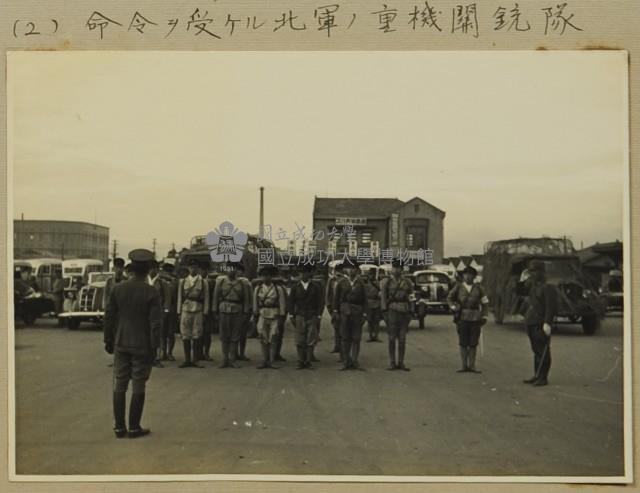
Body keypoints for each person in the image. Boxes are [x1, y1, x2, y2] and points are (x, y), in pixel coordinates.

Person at [103, 248, 162, 439]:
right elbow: (155, 324)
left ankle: (119, 428)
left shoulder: (117, 289)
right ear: (147, 271)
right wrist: (155, 347)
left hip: (121, 342)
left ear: (131, 269)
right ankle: (134, 427)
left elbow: (109, 317)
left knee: (119, 384)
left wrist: (108, 340)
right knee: (138, 384)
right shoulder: (151, 292)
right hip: (142, 345)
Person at [520, 260, 557, 387]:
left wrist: (547, 323)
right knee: (536, 350)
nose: (533, 274)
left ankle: (543, 377)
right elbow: (519, 291)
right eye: (531, 271)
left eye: (535, 271)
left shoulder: (548, 287)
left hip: (540, 322)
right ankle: (537, 375)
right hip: (531, 321)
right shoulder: (532, 286)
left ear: (542, 272)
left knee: (543, 351)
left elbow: (550, 307)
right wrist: (522, 279)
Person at [447, 266, 489, 374]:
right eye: (466, 274)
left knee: (473, 342)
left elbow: (485, 303)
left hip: (475, 318)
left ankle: (472, 365)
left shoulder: (479, 288)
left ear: (474, 277)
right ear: (463, 276)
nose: (468, 277)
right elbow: (449, 298)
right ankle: (463, 365)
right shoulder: (458, 287)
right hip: (462, 317)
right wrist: (453, 307)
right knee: (463, 342)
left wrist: (484, 316)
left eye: (470, 275)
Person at [212, 262, 250, 368]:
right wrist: (214, 310)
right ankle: (225, 359)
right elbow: (215, 297)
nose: (232, 271)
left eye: (234, 269)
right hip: (224, 309)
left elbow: (246, 299)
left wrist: (246, 312)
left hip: (237, 310)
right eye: (230, 268)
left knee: (235, 336)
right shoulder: (221, 282)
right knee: (224, 336)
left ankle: (232, 359)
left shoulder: (242, 283)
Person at [332, 258, 368, 371]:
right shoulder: (341, 282)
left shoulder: (361, 282)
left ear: (356, 270)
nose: (350, 270)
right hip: (344, 311)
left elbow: (365, 299)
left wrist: (365, 314)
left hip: (357, 311)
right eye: (348, 268)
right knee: (345, 337)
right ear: (344, 270)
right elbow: (336, 299)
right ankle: (346, 361)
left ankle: (355, 360)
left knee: (356, 337)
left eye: (352, 268)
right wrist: (335, 312)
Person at [381, 259, 415, 371]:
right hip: (392, 310)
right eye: (394, 268)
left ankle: (401, 362)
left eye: (399, 268)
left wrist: (411, 310)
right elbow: (384, 298)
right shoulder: (387, 282)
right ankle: (392, 362)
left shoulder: (407, 282)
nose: (396, 270)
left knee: (402, 339)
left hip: (404, 311)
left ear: (402, 269)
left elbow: (411, 297)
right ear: (391, 269)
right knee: (391, 338)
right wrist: (384, 311)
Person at [289, 264, 324, 369]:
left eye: (305, 272)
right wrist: (291, 314)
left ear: (309, 274)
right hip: (299, 314)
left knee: (311, 339)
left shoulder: (316, 287)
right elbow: (291, 301)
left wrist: (319, 315)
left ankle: (308, 361)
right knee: (299, 339)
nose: (303, 275)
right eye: (301, 273)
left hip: (312, 315)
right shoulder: (295, 287)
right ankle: (300, 361)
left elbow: (320, 302)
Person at [176, 260, 209, 368]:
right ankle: (187, 359)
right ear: (188, 268)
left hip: (198, 309)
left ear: (198, 269)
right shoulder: (183, 281)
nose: (192, 269)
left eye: (195, 267)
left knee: (197, 334)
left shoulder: (203, 281)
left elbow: (206, 298)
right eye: (190, 267)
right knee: (185, 334)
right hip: (185, 308)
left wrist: (205, 312)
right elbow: (180, 297)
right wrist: (179, 312)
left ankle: (196, 359)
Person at [253, 265, 287, 369]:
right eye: (264, 275)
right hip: (262, 314)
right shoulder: (258, 288)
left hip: (274, 314)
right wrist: (255, 315)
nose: (266, 278)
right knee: (263, 338)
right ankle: (264, 360)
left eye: (268, 275)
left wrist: (282, 316)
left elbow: (282, 303)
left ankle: (272, 360)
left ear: (272, 277)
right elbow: (255, 303)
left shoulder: (278, 289)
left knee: (273, 338)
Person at [148, 260, 169, 368]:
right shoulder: (145, 281)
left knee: (157, 336)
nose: (152, 271)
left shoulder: (162, 282)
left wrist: (165, 312)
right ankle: (147, 357)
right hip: (145, 312)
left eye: (154, 268)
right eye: (150, 268)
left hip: (158, 312)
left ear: (157, 270)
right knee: (146, 335)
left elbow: (166, 299)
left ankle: (156, 358)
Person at [326, 262, 346, 360]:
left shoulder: (345, 280)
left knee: (343, 330)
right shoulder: (331, 280)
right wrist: (329, 307)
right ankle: (337, 346)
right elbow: (328, 294)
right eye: (337, 271)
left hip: (342, 308)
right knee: (336, 328)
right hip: (333, 308)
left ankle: (342, 351)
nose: (338, 273)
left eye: (340, 271)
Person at [158, 263, 178, 361]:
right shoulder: (160, 281)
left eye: (170, 271)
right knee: (162, 332)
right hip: (162, 309)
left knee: (171, 333)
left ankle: (170, 352)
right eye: (167, 271)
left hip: (172, 309)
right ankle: (163, 352)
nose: (168, 273)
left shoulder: (175, 282)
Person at [235, 262, 253, 362]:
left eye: (239, 271)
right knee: (233, 333)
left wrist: (249, 311)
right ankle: (234, 353)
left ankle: (241, 353)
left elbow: (250, 298)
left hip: (243, 310)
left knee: (242, 334)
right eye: (236, 270)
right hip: (234, 309)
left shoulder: (247, 283)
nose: (238, 273)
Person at [363, 268, 383, 343]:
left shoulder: (378, 283)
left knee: (376, 321)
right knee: (370, 321)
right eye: (370, 274)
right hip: (369, 303)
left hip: (377, 303)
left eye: (372, 274)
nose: (371, 276)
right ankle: (371, 336)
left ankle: (376, 336)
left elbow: (381, 292)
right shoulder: (366, 283)